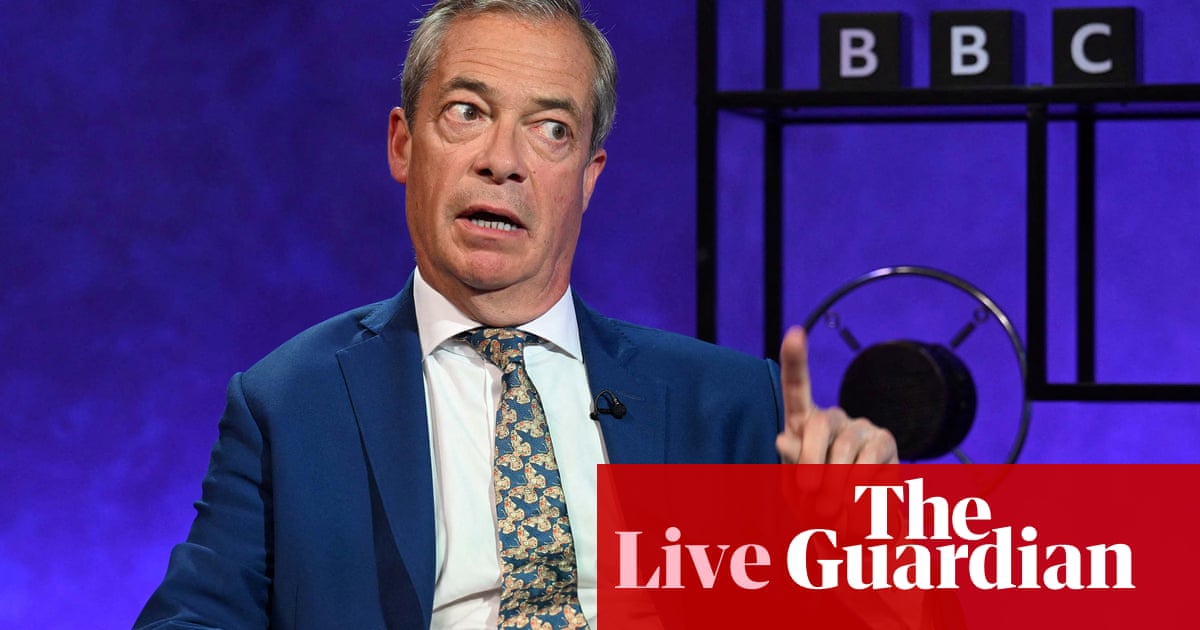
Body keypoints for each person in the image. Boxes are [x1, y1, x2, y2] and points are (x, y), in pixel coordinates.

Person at [134, 1, 897, 628]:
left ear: (588, 177)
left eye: (551, 129)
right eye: (467, 112)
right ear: (403, 145)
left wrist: (875, 536)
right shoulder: (290, 403)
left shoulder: (728, 405)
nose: (502, 160)